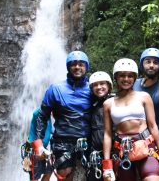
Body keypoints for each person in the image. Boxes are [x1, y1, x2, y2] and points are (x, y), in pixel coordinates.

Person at [102, 58, 159, 181]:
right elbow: (107, 134)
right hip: (122, 151)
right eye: (122, 75)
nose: (126, 79)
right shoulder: (108, 103)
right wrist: (107, 165)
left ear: (134, 78)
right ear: (116, 78)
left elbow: (153, 126)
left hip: (146, 147)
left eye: (130, 76)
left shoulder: (144, 97)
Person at [31, 50, 92, 181]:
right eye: (73, 64)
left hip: (88, 140)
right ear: (68, 67)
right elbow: (42, 116)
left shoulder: (93, 89)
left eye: (81, 64)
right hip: (63, 141)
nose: (77, 67)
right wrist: (38, 143)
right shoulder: (55, 89)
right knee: (65, 173)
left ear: (86, 67)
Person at [87, 71, 113, 181]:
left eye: (102, 83)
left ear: (109, 85)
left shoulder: (116, 102)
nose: (99, 87)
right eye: (95, 85)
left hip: (114, 153)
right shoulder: (90, 105)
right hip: (95, 155)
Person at [22, 108, 53, 181]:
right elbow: (35, 113)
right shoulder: (39, 113)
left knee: (50, 169)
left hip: (43, 148)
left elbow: (51, 130)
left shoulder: (49, 117)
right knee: (35, 177)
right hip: (33, 148)